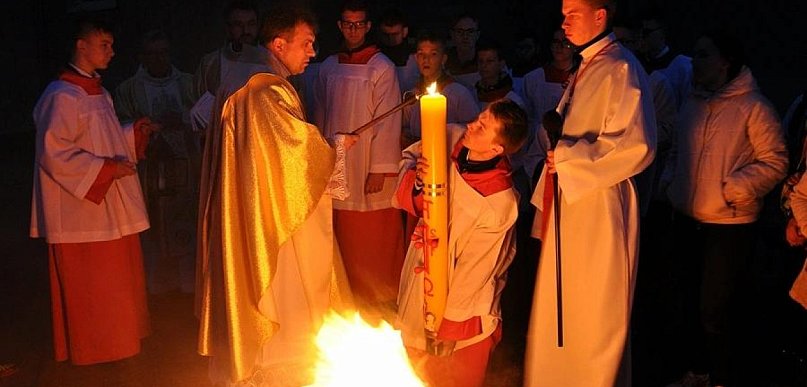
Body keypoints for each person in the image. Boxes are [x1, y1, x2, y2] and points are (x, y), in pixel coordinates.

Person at [195, 6, 354, 386]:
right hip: (268, 216)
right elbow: (296, 158)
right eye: (307, 44)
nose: (312, 53)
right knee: (284, 289)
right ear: (280, 44)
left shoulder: (242, 77)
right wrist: (337, 147)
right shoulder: (266, 88)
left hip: (250, 204)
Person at [524, 0, 656, 386]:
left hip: (599, 203)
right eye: (562, 14)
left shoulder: (622, 67)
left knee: (593, 308)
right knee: (562, 302)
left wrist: (566, 157)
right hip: (572, 198)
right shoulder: (589, 65)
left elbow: (636, 145)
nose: (563, 22)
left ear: (601, 16)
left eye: (573, 14)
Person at [662, 31, 787, 387]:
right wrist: (672, 184)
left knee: (716, 311)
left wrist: (736, 188)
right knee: (687, 304)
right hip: (687, 218)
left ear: (724, 60)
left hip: (729, 225)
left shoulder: (754, 107)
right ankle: (698, 372)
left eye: (703, 54)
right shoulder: (693, 101)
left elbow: (775, 160)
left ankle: (723, 377)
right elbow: (676, 151)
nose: (695, 61)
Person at [30, 18, 158, 366]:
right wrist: (105, 170)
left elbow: (100, 137)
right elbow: (53, 153)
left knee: (116, 284)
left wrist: (131, 134)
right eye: (104, 44)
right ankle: (94, 351)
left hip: (105, 207)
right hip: (80, 210)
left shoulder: (98, 92)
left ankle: (120, 348)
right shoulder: (60, 95)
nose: (112, 51)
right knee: (94, 286)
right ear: (81, 46)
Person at [394, 100, 528, 387]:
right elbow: (409, 164)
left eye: (482, 127)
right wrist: (418, 180)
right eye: (477, 118)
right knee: (411, 369)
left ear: (496, 150)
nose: (470, 125)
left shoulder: (499, 202)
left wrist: (445, 324)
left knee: (455, 376)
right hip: (421, 269)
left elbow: (475, 271)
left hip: (462, 301)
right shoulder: (448, 137)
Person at [313, 0, 404, 311]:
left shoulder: (381, 68)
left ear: (368, 27)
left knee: (371, 236)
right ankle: (344, 296)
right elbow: (322, 114)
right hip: (337, 161)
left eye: (359, 24)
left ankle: (378, 297)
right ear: (340, 26)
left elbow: (389, 121)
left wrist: (379, 168)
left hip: (367, 163)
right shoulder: (327, 67)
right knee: (339, 232)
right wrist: (322, 157)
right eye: (347, 24)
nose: (353, 29)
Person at [115, 29, 199, 294]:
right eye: (152, 54)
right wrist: (144, 130)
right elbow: (119, 126)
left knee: (185, 222)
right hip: (149, 169)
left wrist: (183, 121)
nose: (159, 59)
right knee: (153, 226)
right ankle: (155, 287)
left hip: (184, 166)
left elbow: (202, 115)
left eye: (163, 53)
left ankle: (188, 284)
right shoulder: (129, 89)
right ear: (142, 57)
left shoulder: (188, 83)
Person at [191, 0, 269, 132]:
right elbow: (198, 105)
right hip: (223, 137)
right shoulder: (211, 64)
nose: (246, 31)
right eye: (239, 25)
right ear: (228, 28)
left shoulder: (270, 61)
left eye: (251, 24)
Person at [401, 32, 479, 149]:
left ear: (443, 59)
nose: (426, 59)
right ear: (416, 58)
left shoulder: (458, 93)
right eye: (421, 54)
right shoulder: (413, 94)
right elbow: (404, 127)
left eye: (433, 54)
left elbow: (473, 129)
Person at [522, 28, 574, 170]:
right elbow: (528, 116)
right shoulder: (533, 79)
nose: (560, 47)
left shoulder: (581, 78)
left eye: (565, 43)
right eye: (556, 42)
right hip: (539, 146)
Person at [638, 15, 692, 109]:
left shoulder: (683, 66)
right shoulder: (635, 65)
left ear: (662, 32)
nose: (642, 37)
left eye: (647, 32)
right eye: (639, 33)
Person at [377, 7, 419, 93]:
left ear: (405, 32)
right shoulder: (374, 58)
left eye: (395, 34)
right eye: (386, 35)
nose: (391, 40)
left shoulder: (418, 58)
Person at [445, 13, 482, 91]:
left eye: (470, 31)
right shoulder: (443, 63)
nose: (465, 36)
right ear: (452, 34)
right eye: (459, 31)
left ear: (477, 35)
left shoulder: (488, 61)